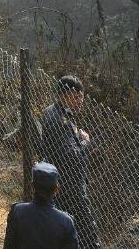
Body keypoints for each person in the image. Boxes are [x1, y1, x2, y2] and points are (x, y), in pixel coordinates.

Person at [40, 75, 100, 249]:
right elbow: (71, 156)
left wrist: (76, 138)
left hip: (58, 182)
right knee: (88, 234)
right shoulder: (60, 119)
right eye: (76, 96)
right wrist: (86, 142)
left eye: (82, 96)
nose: (81, 101)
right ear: (64, 95)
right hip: (71, 186)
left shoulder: (52, 111)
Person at [3, 162, 79, 249]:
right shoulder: (66, 222)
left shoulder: (17, 211)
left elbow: (8, 245)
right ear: (56, 189)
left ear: (32, 185)